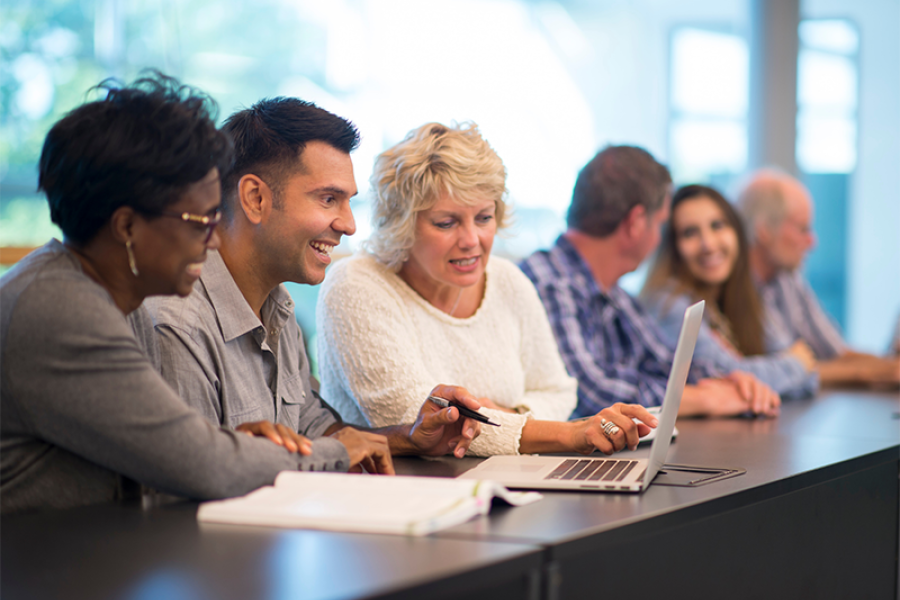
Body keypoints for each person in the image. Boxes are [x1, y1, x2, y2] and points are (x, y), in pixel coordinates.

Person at [0, 73, 370, 515]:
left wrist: (232, 445)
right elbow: (202, 466)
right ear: (127, 227)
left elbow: (186, 450)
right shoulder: (59, 308)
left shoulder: (110, 298)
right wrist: (337, 454)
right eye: (200, 222)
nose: (213, 241)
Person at [138, 98, 481, 467]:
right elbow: (198, 478)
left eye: (348, 202)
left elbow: (313, 430)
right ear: (255, 198)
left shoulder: (277, 306)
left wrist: (409, 438)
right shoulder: (177, 324)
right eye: (329, 199)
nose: (348, 224)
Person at [317, 123, 657, 457]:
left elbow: (558, 390)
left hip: (502, 482)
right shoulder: (356, 284)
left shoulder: (506, 279)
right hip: (395, 493)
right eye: (446, 223)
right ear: (401, 225)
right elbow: (420, 421)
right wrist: (566, 433)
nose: (471, 241)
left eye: (483, 218)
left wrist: (510, 415)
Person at [519, 145, 781, 418]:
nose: (658, 239)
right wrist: (704, 399)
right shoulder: (551, 283)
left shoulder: (616, 295)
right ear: (636, 222)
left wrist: (733, 383)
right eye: (659, 224)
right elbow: (589, 393)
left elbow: (666, 363)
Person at [640, 184, 818, 397]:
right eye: (690, 233)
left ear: (737, 232)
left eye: (718, 226)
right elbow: (728, 376)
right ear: (673, 248)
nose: (708, 244)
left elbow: (811, 376)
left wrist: (791, 368)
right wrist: (795, 365)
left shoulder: (742, 293)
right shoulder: (667, 303)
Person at [738, 169, 900, 386]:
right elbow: (788, 370)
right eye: (803, 229)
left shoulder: (787, 279)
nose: (812, 242)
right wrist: (872, 371)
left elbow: (835, 353)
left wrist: (888, 365)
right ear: (764, 229)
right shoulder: (738, 289)